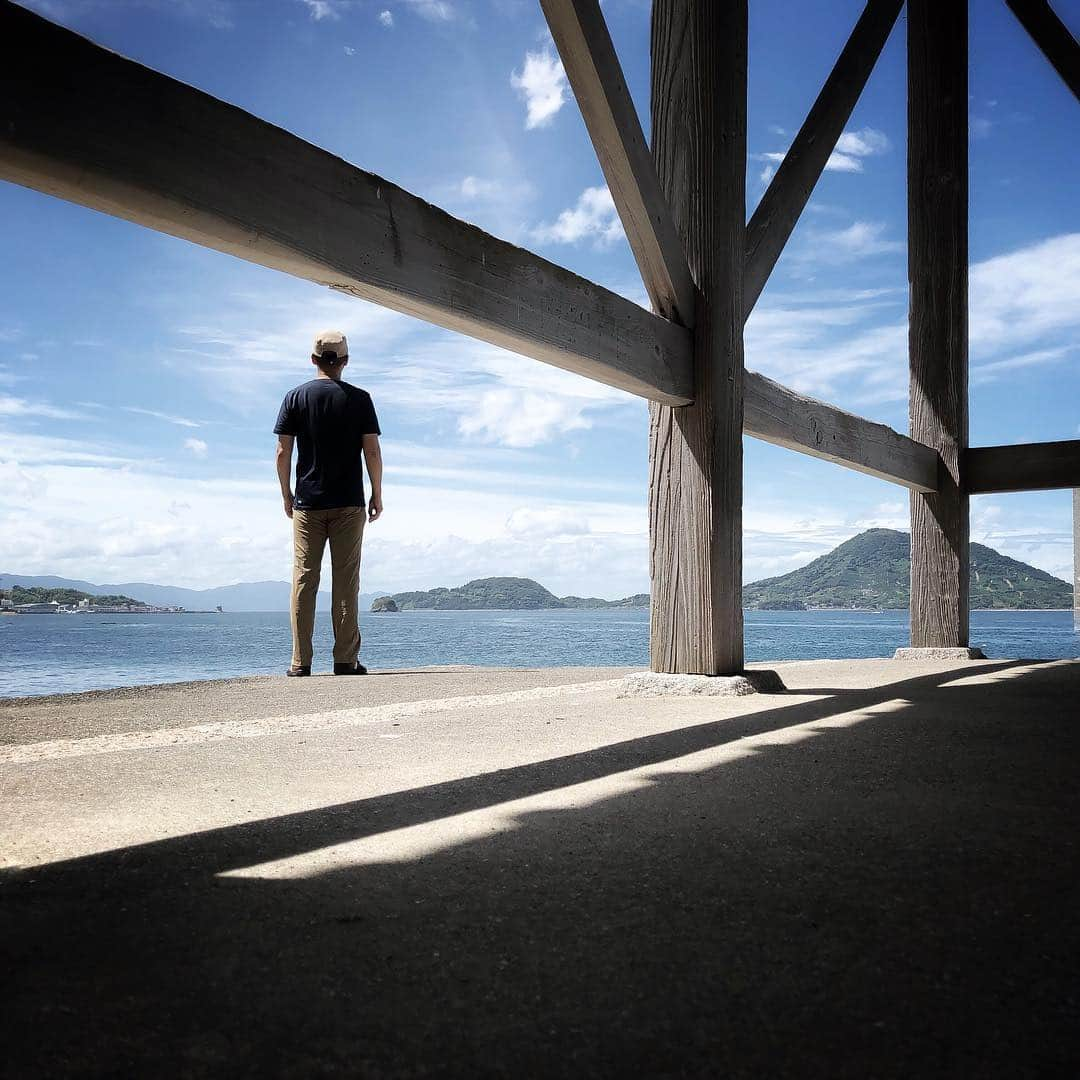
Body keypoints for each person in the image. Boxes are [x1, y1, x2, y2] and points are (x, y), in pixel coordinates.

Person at [274, 330, 383, 677]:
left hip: (307, 502)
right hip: (349, 503)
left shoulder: (295, 397)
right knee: (345, 581)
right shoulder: (360, 399)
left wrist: (286, 494)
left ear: (313, 359)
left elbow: (283, 452)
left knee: (304, 580)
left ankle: (299, 662)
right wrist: (377, 493)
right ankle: (345, 660)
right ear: (346, 361)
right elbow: (372, 451)